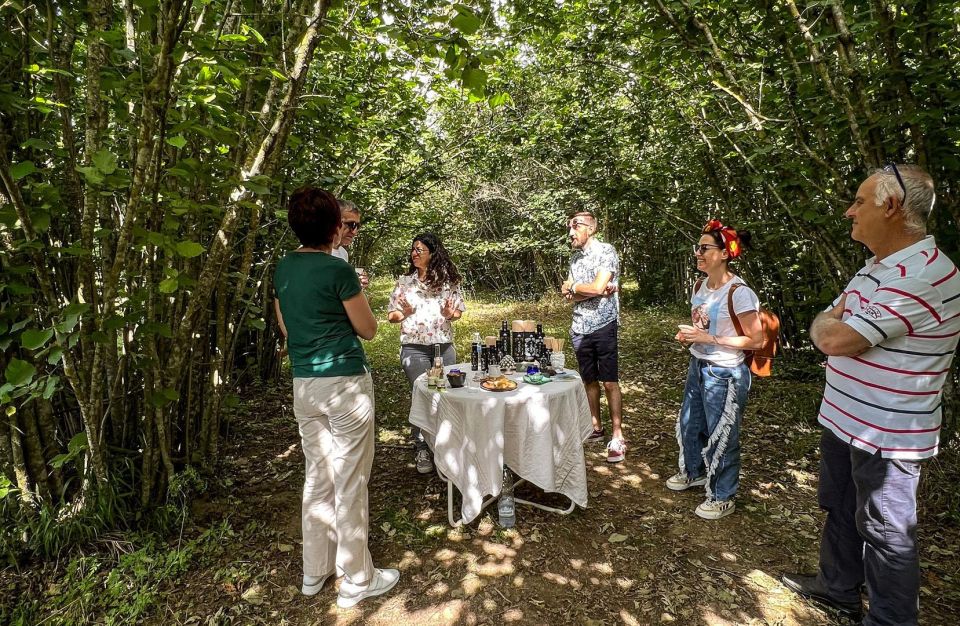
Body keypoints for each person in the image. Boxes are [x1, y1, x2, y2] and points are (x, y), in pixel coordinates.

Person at [782, 165, 959, 625]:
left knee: (886, 532)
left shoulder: (922, 275)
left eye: (859, 202)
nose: (849, 212)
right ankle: (837, 587)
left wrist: (829, 327)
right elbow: (832, 321)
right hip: (846, 418)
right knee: (839, 505)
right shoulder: (877, 267)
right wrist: (830, 324)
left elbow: (835, 338)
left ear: (892, 206)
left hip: (887, 432)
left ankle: (889, 620)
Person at [273, 186, 399, 608]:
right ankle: (358, 579)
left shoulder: (283, 268)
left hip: (304, 383)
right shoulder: (336, 271)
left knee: (317, 477)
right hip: (344, 384)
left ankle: (315, 571)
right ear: (332, 226)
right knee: (349, 479)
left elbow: (287, 325)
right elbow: (369, 329)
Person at [668, 220, 764, 520]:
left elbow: (757, 340)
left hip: (725, 372)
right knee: (690, 422)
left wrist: (710, 339)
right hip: (698, 365)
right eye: (698, 247)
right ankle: (694, 472)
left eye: (705, 248)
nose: (698, 252)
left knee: (722, 433)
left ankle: (723, 494)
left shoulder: (739, 293)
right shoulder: (700, 285)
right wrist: (691, 336)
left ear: (724, 253)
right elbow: (704, 325)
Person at [388, 233, 465, 474]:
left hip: (443, 348)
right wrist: (406, 312)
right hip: (414, 349)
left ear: (433, 253)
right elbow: (392, 316)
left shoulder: (448, 282)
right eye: (413, 249)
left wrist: (450, 314)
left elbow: (458, 312)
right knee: (424, 396)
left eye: (420, 249)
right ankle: (422, 446)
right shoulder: (404, 283)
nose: (414, 253)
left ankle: (444, 447)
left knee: (444, 396)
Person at [560, 210, 626, 463]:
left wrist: (578, 288)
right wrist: (582, 290)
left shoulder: (606, 252)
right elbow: (567, 293)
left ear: (591, 228)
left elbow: (597, 287)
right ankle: (595, 427)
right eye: (569, 227)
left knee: (609, 382)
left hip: (603, 323)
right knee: (589, 380)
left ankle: (618, 435)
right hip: (579, 326)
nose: (571, 232)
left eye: (575, 226)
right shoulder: (575, 259)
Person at [331, 199, 368, 289]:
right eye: (351, 224)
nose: (354, 232)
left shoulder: (343, 253)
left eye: (357, 226)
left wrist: (356, 282)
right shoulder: (312, 252)